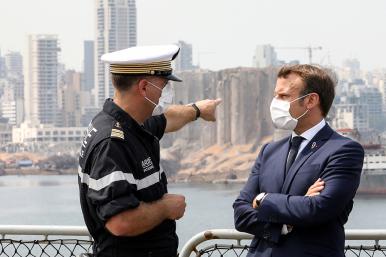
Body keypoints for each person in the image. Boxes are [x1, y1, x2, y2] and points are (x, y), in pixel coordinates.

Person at [78, 44, 221, 257]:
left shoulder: (131, 124)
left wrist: (197, 110)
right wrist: (165, 207)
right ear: (144, 88)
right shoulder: (112, 142)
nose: (167, 93)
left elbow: (167, 119)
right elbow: (120, 222)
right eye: (164, 86)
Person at [233, 64, 364, 257]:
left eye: (284, 96)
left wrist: (263, 199)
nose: (275, 102)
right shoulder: (269, 151)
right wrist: (285, 224)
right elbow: (241, 213)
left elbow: (318, 209)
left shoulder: (343, 150)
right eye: (276, 95)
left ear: (311, 100)